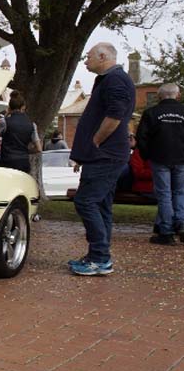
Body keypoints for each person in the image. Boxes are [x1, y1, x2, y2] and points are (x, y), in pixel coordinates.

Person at [68, 42, 136, 276]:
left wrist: (95, 141)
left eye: (88, 57)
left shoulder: (116, 80)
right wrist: (83, 153)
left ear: (103, 56)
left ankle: (99, 258)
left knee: (85, 202)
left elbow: (115, 115)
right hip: (102, 156)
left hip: (105, 156)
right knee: (102, 205)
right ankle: (99, 255)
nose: (85, 62)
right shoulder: (109, 80)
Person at [135, 82, 184, 245]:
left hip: (160, 158)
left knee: (164, 195)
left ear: (159, 96)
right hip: (182, 158)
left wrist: (147, 155)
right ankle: (182, 225)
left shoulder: (151, 113)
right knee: (180, 193)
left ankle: (167, 230)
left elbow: (141, 137)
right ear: (178, 95)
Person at [0, 92, 41, 174]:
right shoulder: (32, 125)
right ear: (23, 107)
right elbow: (39, 149)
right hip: (23, 162)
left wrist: (7, 114)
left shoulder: (5, 122)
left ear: (9, 107)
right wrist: (26, 150)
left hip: (7, 161)